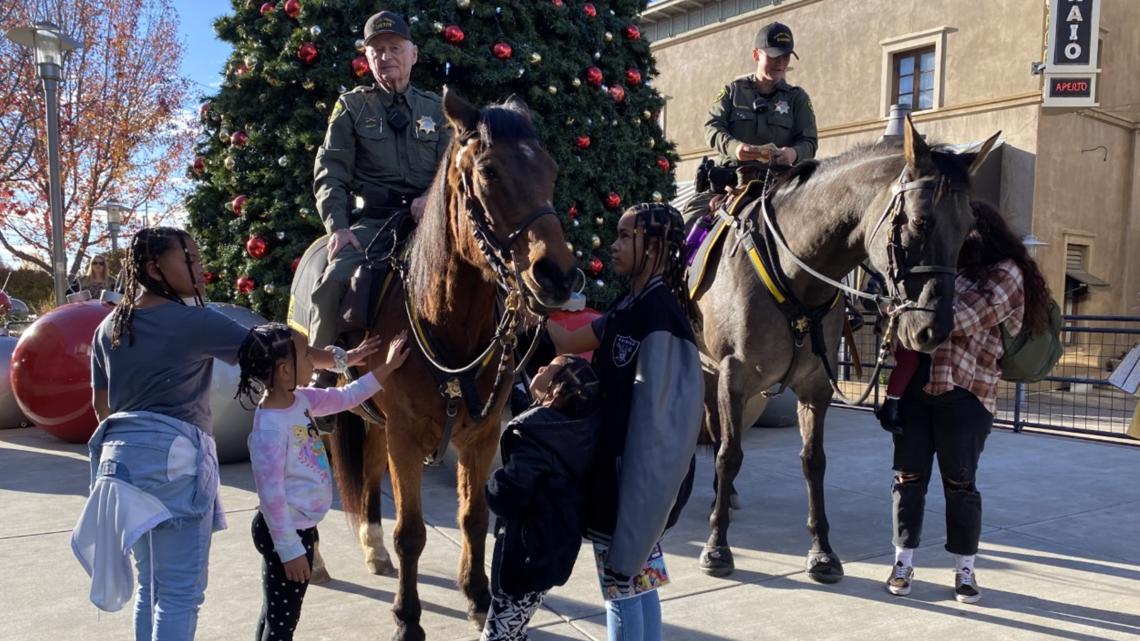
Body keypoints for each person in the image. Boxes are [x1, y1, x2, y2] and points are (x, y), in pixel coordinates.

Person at [81, 227, 379, 641]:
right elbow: (279, 354)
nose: (201, 270)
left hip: (121, 468)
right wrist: (344, 358)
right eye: (190, 260)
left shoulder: (108, 327)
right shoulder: (193, 321)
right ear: (154, 268)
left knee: (151, 586)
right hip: (175, 464)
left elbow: (101, 408)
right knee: (179, 595)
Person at [547, 203, 703, 641]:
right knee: (639, 583)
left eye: (624, 236)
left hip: (630, 484)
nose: (613, 246)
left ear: (653, 246)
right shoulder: (632, 302)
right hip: (622, 477)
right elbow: (569, 339)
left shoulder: (662, 316)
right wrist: (534, 306)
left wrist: (641, 501)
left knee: (620, 588)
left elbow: (665, 429)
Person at [884, 203, 1054, 604]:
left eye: (962, 230)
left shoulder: (1007, 273)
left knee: (960, 485)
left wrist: (907, 312)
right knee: (907, 480)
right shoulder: (947, 271)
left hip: (967, 395)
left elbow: (951, 323)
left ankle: (965, 570)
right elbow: (902, 325)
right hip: (917, 391)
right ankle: (902, 561)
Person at [236, 324, 408, 640]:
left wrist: (388, 367)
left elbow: (346, 396)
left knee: (274, 615)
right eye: (306, 355)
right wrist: (290, 551)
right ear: (285, 370)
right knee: (283, 623)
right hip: (284, 532)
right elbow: (271, 497)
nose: (315, 361)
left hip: (296, 528)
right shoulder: (270, 430)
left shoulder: (299, 400)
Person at [310, 10, 451, 351]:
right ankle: (320, 371)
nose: (386, 57)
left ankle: (509, 370)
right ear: (367, 58)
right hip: (374, 223)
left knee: (487, 273)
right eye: (377, 50)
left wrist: (431, 200)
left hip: (429, 221)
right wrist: (339, 228)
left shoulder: (436, 109)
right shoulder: (352, 107)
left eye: (394, 48)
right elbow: (331, 170)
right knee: (335, 281)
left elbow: (452, 169)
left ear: (413, 54)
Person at [481, 355, 602, 641]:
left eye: (549, 368)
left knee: (497, 636)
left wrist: (489, 483)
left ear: (557, 390)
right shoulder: (576, 428)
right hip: (552, 553)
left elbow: (506, 495)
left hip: (525, 558)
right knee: (516, 630)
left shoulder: (536, 437)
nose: (540, 368)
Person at [684, 21, 818, 224]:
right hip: (729, 182)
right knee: (687, 224)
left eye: (785, 56)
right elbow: (712, 127)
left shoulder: (796, 98)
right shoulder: (732, 92)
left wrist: (793, 153)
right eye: (773, 56)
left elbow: (809, 141)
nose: (780, 63)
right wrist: (735, 148)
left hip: (778, 185)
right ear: (756, 55)